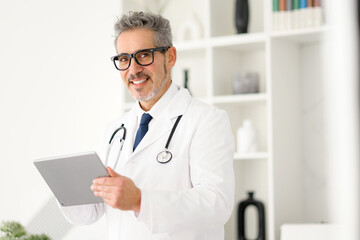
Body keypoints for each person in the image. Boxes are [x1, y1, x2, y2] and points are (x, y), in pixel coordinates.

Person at [60, 11, 235, 240]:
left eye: (143, 55)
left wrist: (140, 200)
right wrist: (67, 192)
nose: (133, 70)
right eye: (124, 59)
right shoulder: (114, 130)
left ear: (170, 57)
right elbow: (91, 212)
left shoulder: (207, 120)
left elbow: (216, 204)